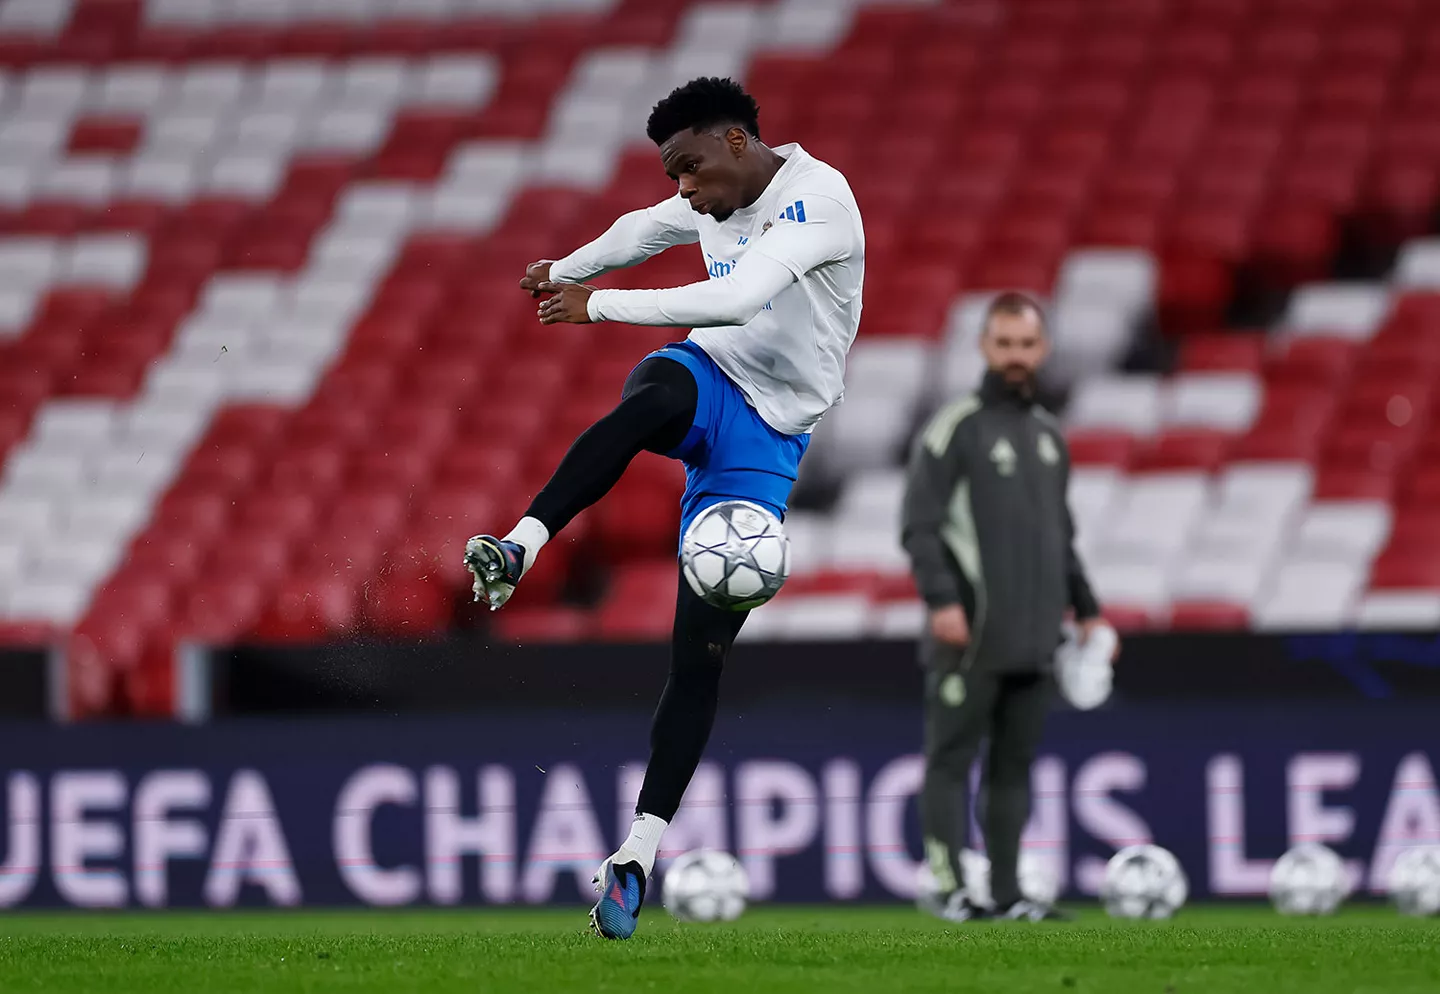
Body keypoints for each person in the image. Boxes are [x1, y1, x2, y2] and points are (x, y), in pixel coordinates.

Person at [463, 77, 864, 939]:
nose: (683, 188)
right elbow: (643, 230)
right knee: (649, 396)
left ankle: (635, 854)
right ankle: (522, 544)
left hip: (770, 435)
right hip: (713, 373)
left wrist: (593, 305)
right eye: (671, 172)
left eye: (689, 167)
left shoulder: (818, 201)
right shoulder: (712, 196)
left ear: (735, 142)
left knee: (700, 659)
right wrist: (566, 268)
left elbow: (736, 297)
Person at [899, 291, 1116, 923]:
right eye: (1005, 344)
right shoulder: (955, 428)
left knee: (1013, 770)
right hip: (971, 632)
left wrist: (1090, 611)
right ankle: (948, 888)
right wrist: (942, 600)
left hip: (1034, 635)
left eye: (1027, 344)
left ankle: (1007, 893)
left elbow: (1061, 537)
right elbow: (920, 527)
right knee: (950, 762)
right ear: (985, 347)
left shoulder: (1050, 435)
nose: (1016, 356)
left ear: (1042, 348)